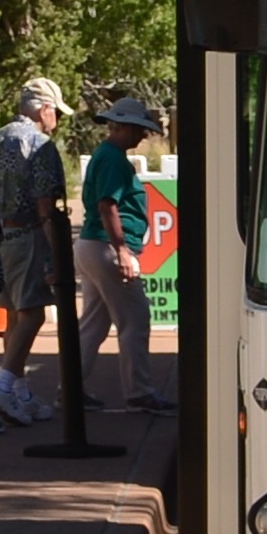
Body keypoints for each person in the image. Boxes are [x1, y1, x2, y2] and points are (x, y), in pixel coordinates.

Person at [0, 82, 77, 417]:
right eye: (55, 111)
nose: (56, 119)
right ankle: (3, 385)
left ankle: (20, 393)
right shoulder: (40, 145)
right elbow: (45, 206)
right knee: (34, 312)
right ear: (44, 109)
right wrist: (58, 252)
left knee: (12, 314)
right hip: (26, 235)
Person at [78, 93, 165, 431]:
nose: (143, 136)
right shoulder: (114, 159)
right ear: (125, 128)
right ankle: (139, 392)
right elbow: (108, 205)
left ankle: (71, 387)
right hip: (106, 246)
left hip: (90, 244)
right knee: (135, 319)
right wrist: (123, 251)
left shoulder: (105, 154)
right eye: (140, 130)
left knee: (93, 325)